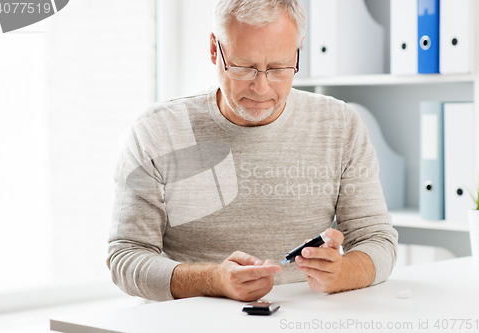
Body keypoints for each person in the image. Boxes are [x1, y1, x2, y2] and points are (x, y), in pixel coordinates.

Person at [107, 0, 398, 302]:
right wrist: (213, 280)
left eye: (279, 68)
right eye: (244, 67)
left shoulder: (340, 124)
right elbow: (126, 257)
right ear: (213, 50)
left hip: (303, 318)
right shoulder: (157, 130)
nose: (261, 88)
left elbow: (377, 241)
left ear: (299, 50)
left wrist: (343, 272)